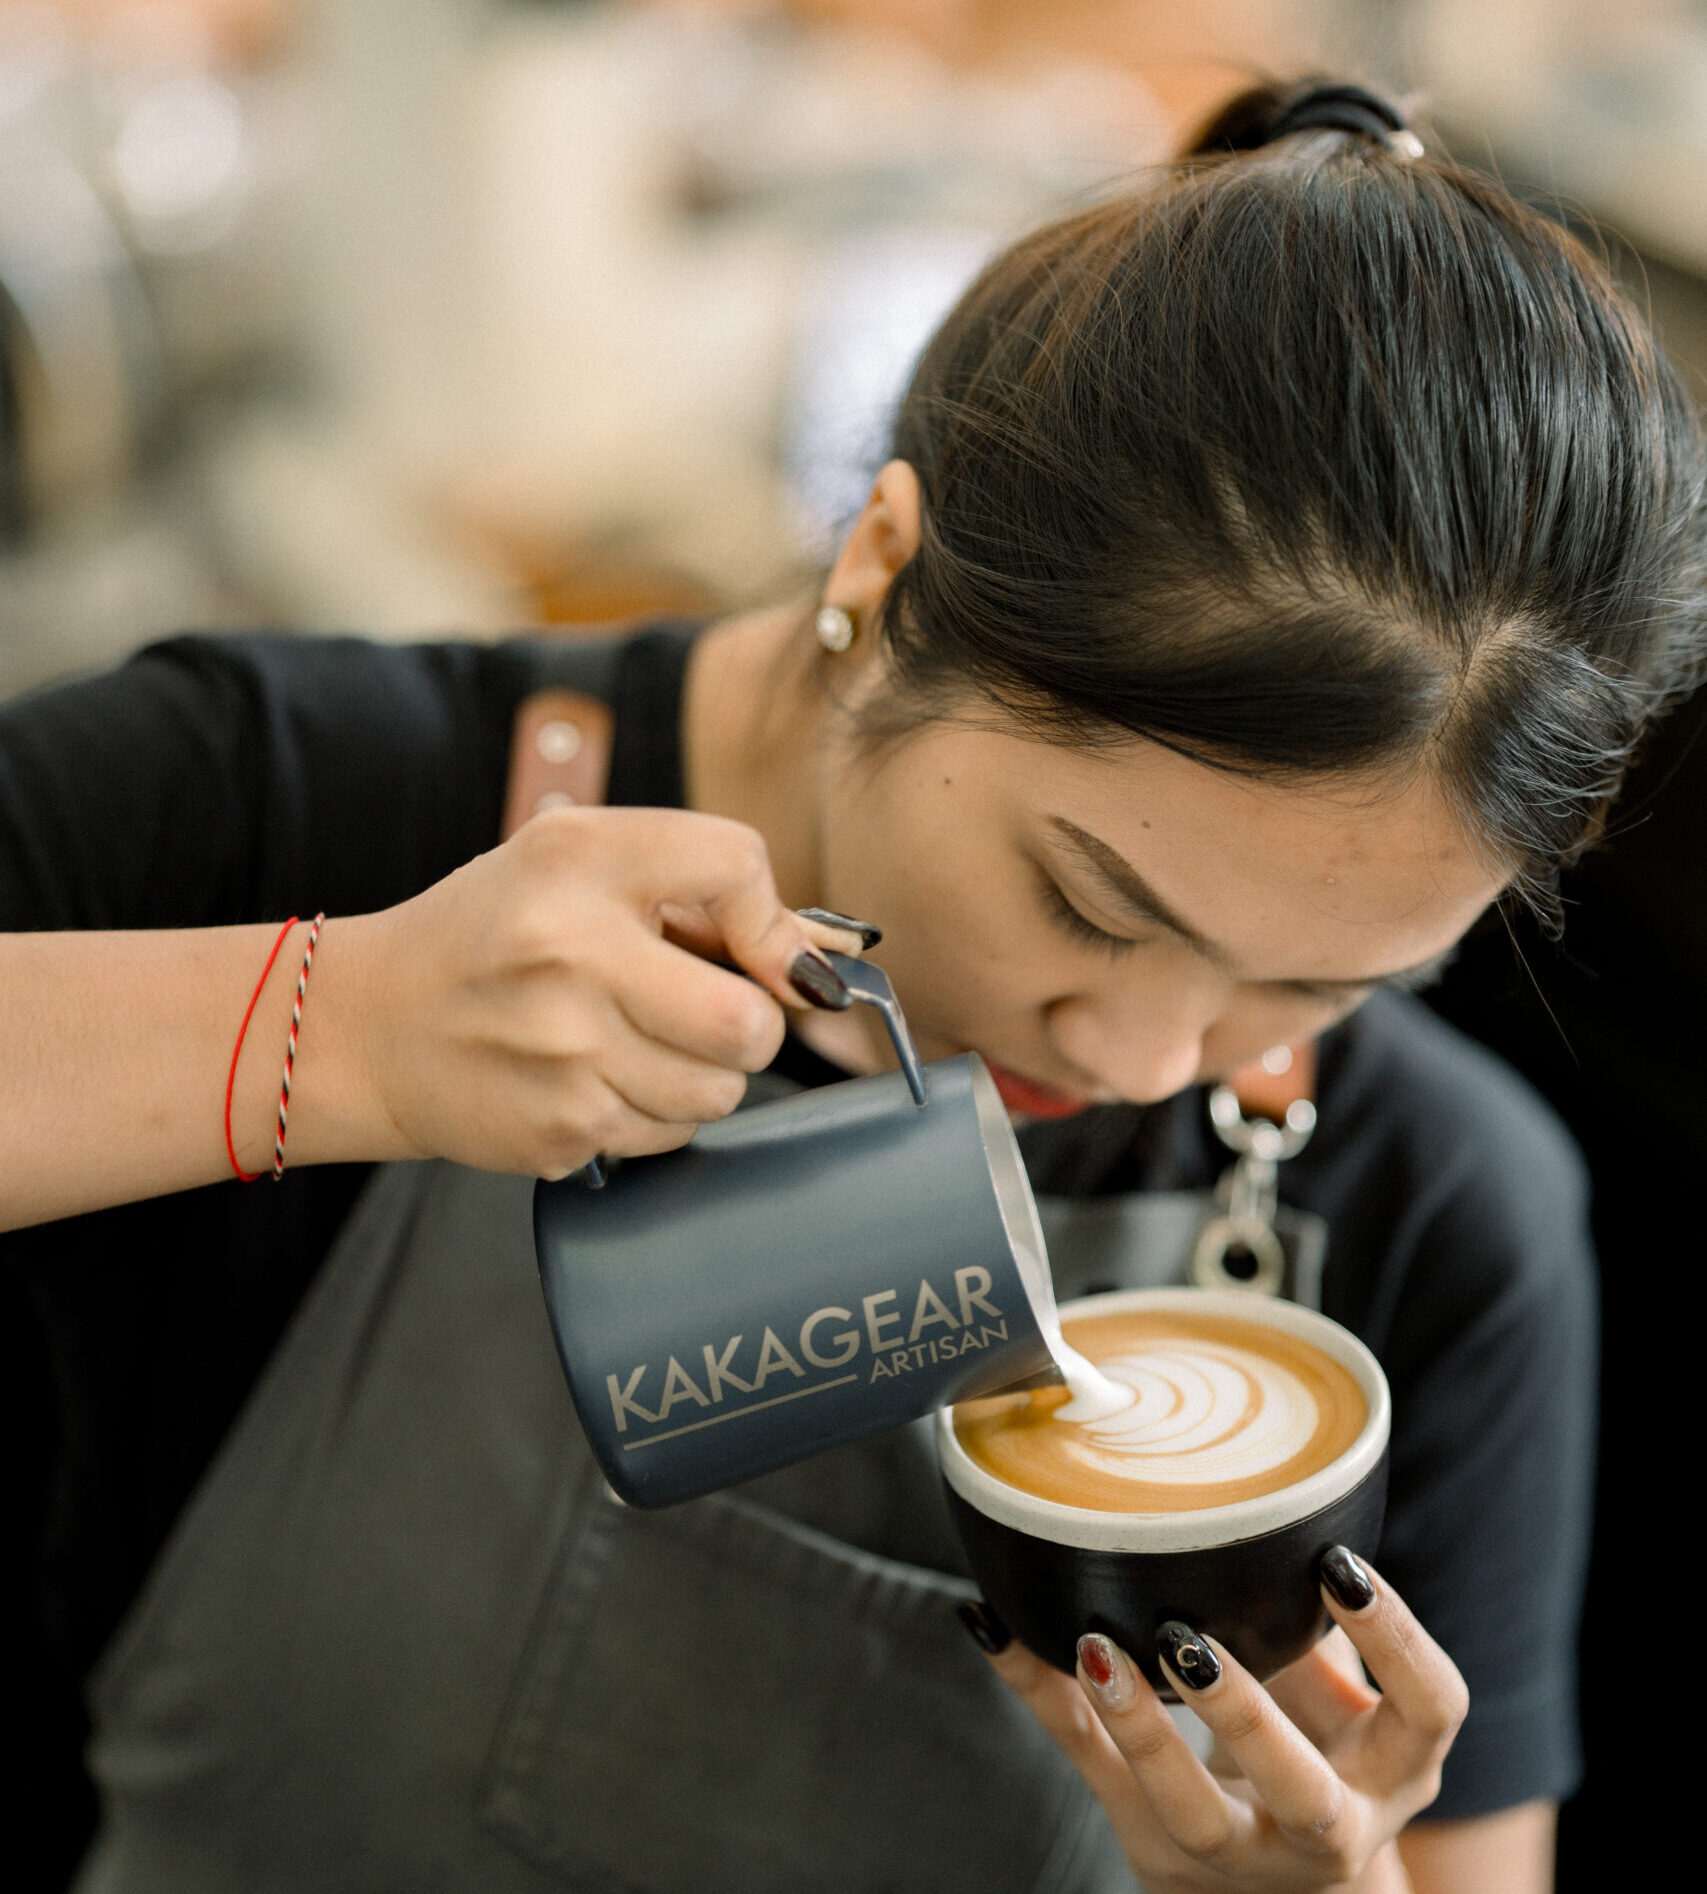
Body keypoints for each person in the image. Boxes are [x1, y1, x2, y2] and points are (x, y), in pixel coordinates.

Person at [3, 78, 1700, 1893]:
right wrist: (328, 1030)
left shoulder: (1443, 1217)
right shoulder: (288, 803)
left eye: (1322, 986)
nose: (1138, 1057)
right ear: (886, 562)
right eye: (1091, 900)